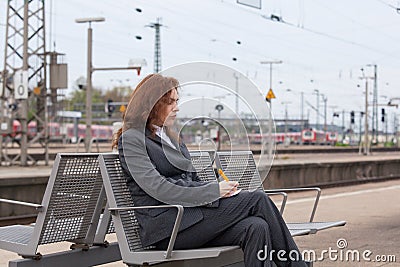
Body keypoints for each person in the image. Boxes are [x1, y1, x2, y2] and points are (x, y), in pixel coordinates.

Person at [112, 73, 307, 267]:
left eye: (177, 101)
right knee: (257, 199)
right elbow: (158, 188)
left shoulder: (172, 138)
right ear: (152, 104)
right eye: (170, 102)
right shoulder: (132, 140)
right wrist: (213, 192)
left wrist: (221, 190)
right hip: (168, 228)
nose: (177, 108)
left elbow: (192, 178)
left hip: (191, 219)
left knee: (256, 227)